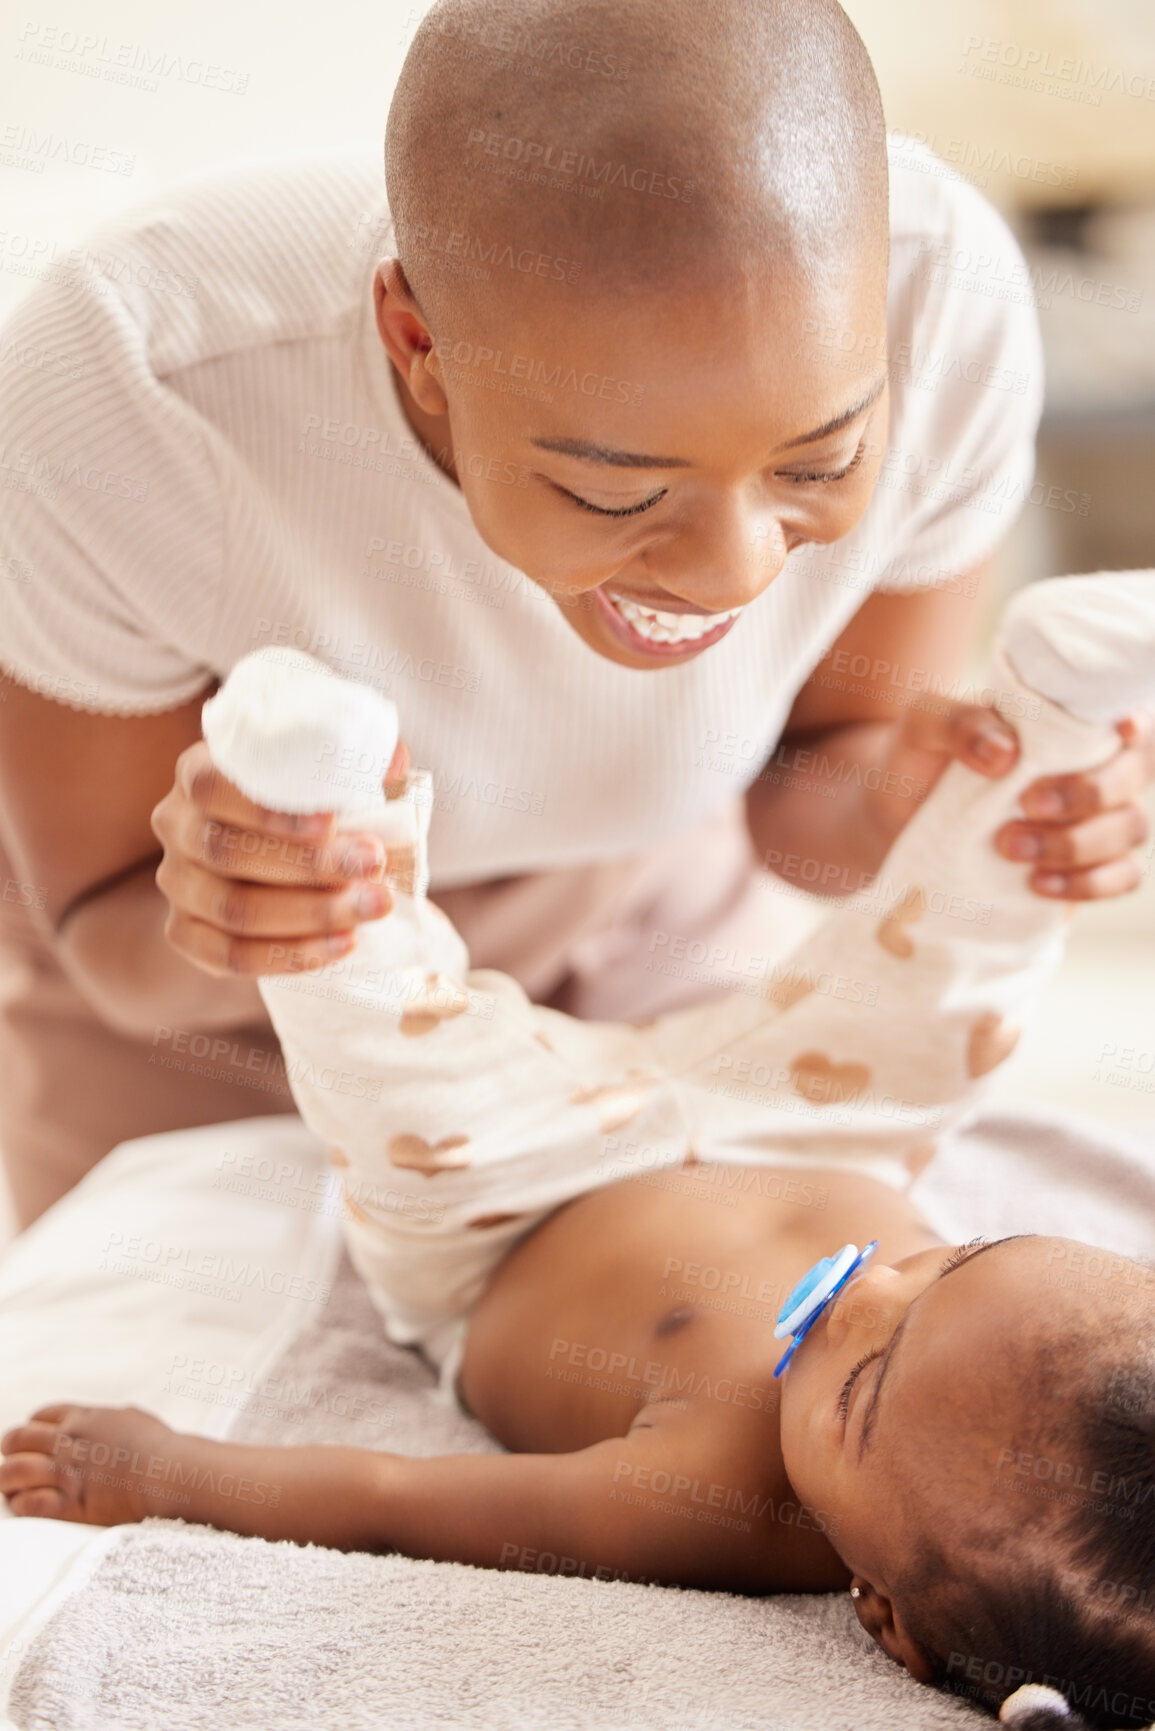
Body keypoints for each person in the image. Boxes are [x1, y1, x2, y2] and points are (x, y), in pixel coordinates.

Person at [0, 0, 1153, 1226]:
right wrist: (239, 910)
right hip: (229, 1014)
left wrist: (920, 813)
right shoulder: (129, 392)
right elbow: (102, 929)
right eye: (616, 490)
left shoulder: (947, 310)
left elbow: (807, 790)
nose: (732, 576)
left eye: (817, 466)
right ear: (417, 346)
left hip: (651, 908)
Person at [4, 570, 1154, 1730]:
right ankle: (1057, 723)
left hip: (515, 1189)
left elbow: (396, 1499)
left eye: (860, 1390)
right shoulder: (1025, 1369)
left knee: (389, 1059)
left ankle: (316, 811)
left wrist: (163, 1471)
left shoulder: (718, 1503)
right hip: (806, 1119)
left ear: (885, 1615)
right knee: (948, 1002)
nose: (866, 1286)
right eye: (957, 1261)